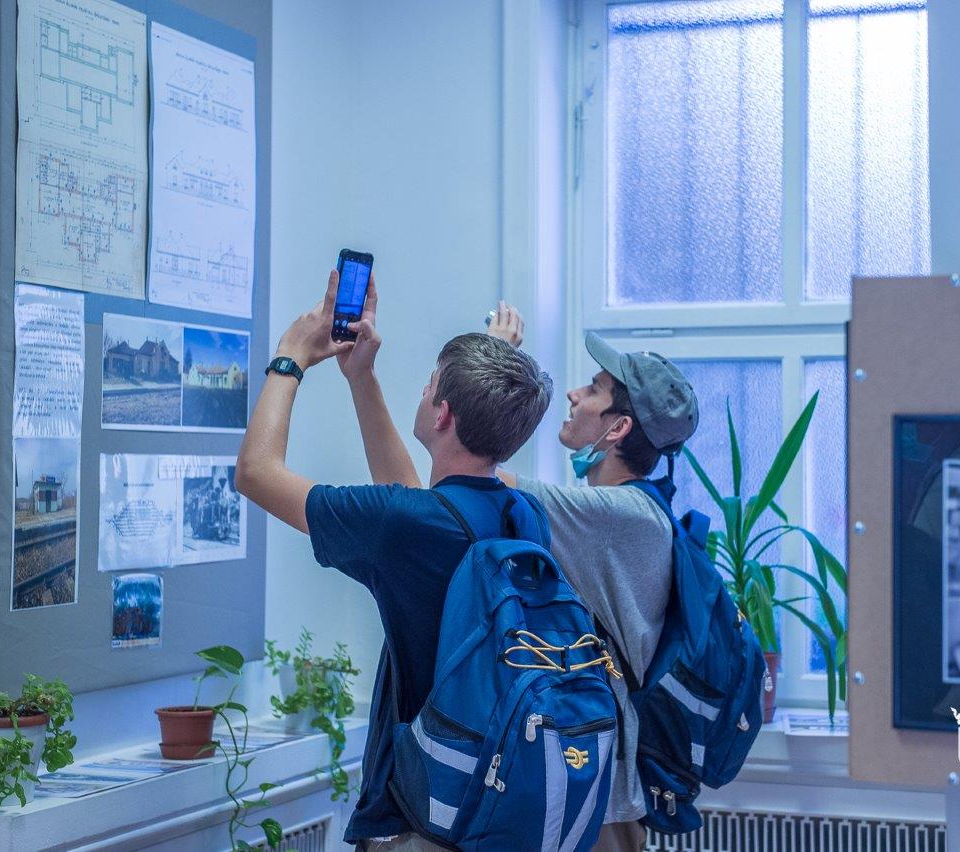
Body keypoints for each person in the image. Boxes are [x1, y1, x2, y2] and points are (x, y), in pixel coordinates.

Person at [235, 273, 554, 851]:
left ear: (443, 414)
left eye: (430, 384)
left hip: (423, 821)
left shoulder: (407, 525)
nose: (423, 391)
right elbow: (416, 503)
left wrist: (289, 357)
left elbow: (256, 473)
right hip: (491, 805)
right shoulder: (524, 516)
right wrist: (361, 378)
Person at [484, 306, 699, 852]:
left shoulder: (618, 514)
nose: (574, 394)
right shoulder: (626, 511)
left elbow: (476, 475)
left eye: (594, 389)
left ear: (618, 428)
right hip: (588, 770)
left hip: (600, 786)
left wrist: (495, 361)